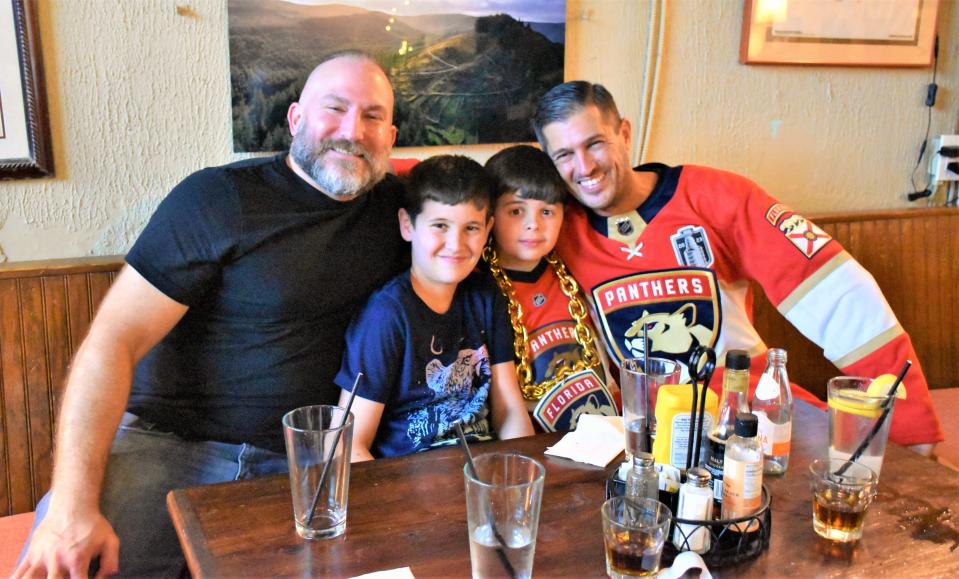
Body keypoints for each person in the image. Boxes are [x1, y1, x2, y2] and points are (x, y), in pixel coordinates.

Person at [15, 52, 410, 578]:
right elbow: (113, 340)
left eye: (372, 117)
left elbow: (496, 214)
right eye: (334, 109)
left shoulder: (406, 215)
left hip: (308, 460)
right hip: (171, 445)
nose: (351, 131)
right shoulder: (218, 198)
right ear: (295, 119)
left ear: (391, 136)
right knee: (65, 560)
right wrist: (70, 506)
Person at [531, 81, 943, 449]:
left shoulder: (716, 196)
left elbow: (834, 289)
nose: (584, 167)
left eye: (595, 143)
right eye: (564, 154)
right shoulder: (553, 228)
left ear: (624, 132)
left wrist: (908, 426)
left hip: (744, 412)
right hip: (640, 434)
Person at [335, 155, 534, 461]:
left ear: (487, 228)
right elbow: (348, 446)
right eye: (440, 226)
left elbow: (509, 409)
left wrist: (522, 479)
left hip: (483, 478)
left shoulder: (485, 294)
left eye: (471, 228)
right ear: (407, 225)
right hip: (406, 487)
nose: (455, 244)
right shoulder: (385, 316)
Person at [483, 145, 619, 432]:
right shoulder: (479, 288)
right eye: (516, 211)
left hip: (610, 428)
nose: (533, 225)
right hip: (530, 438)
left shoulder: (575, 268)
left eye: (547, 211)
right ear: (490, 214)